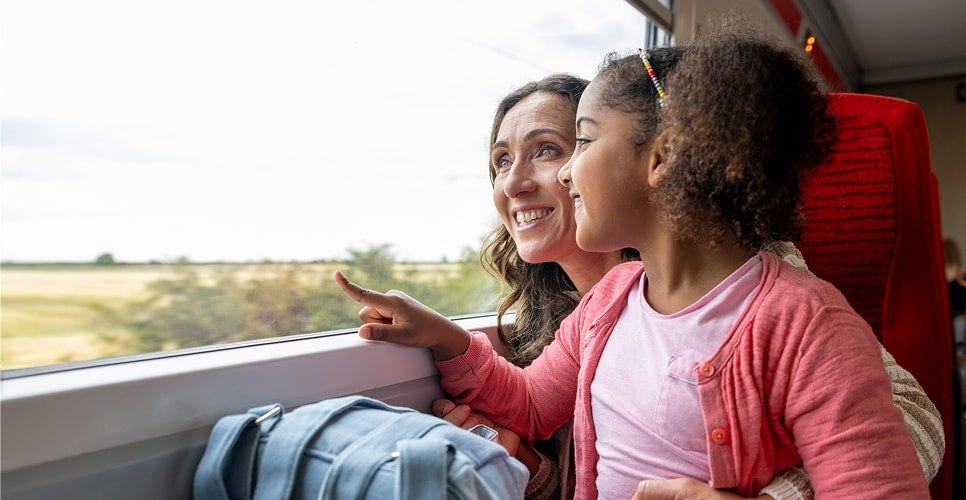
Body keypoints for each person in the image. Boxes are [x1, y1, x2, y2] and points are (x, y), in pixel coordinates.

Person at [335, 25, 931, 497]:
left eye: (572, 145)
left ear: (662, 157)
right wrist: (443, 338)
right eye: (499, 161)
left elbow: (891, 447)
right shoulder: (607, 303)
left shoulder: (800, 317)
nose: (551, 176)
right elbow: (534, 404)